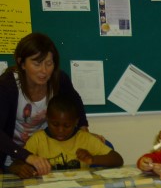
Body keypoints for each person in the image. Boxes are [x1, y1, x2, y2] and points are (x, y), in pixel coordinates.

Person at [0, 32, 92, 178]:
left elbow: (75, 101)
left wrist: (83, 129)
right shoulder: (7, 86)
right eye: (37, 64)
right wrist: (26, 156)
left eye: (49, 64)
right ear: (22, 63)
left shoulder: (58, 79)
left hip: (44, 152)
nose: (44, 71)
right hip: (11, 153)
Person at [9, 94, 122, 174]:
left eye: (67, 126)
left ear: (76, 122)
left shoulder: (84, 138)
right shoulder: (37, 139)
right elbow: (15, 164)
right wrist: (21, 168)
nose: (60, 130)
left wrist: (92, 159)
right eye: (55, 124)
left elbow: (117, 159)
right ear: (47, 119)